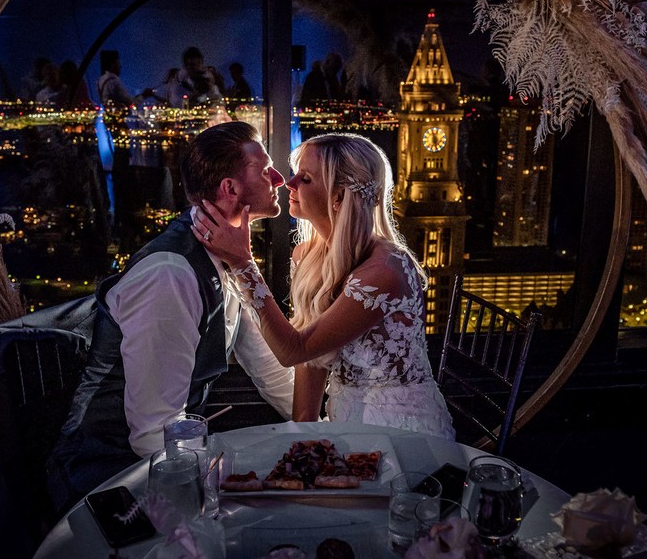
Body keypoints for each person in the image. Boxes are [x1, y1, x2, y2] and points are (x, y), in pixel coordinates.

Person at [47, 121, 295, 513]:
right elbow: (152, 431)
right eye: (266, 170)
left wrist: (328, 430)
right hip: (108, 475)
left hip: (166, 456)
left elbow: (271, 370)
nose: (280, 179)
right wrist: (220, 495)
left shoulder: (227, 256)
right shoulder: (172, 273)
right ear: (230, 189)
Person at [193, 132, 456, 440]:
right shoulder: (307, 254)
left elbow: (293, 350)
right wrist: (302, 434)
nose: (288, 185)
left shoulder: (384, 271)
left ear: (339, 197)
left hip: (401, 430)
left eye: (304, 179)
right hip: (343, 421)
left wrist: (242, 264)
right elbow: (310, 360)